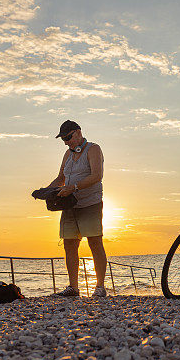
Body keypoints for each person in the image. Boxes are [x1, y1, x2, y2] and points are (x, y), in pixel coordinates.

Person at [47, 120, 108, 298]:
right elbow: (60, 178)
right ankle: (73, 287)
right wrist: (46, 191)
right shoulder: (67, 154)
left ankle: (100, 287)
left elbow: (97, 175)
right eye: (63, 139)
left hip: (90, 202)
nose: (66, 142)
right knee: (69, 244)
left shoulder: (94, 149)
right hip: (69, 204)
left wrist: (73, 188)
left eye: (68, 137)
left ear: (78, 133)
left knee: (95, 242)